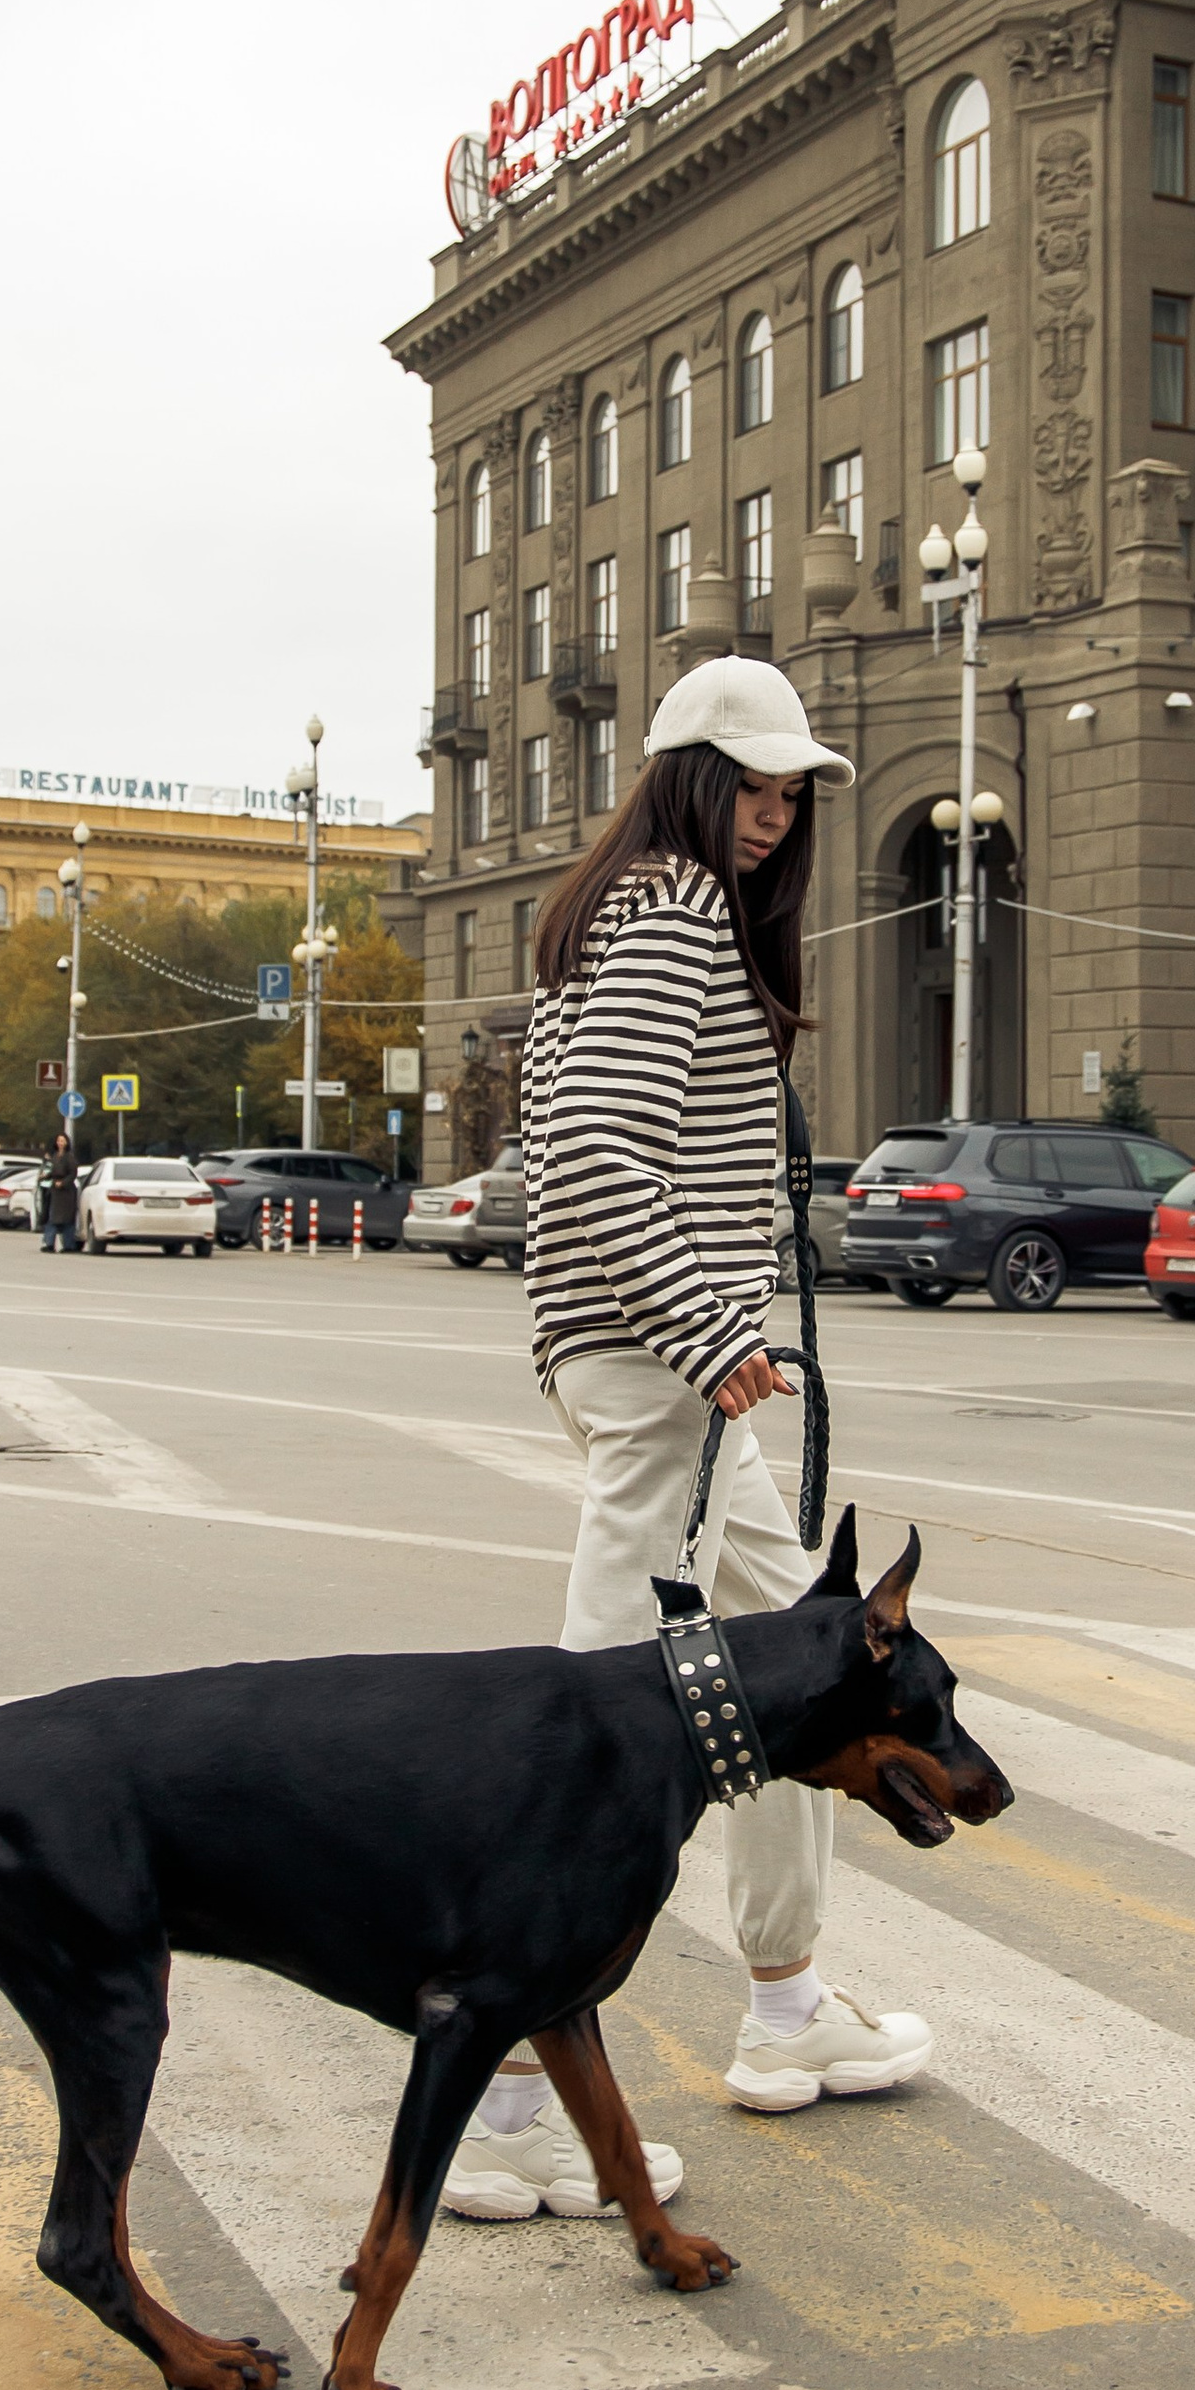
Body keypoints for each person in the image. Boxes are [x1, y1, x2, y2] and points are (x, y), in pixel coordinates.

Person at [444, 655, 930, 2224]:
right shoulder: (670, 912)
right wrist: (711, 1331)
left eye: (794, 794)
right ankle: (508, 2099)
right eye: (754, 786)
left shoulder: (641, 909)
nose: (776, 817)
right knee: (601, 1732)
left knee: (807, 1676)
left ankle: (786, 2004)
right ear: (685, 779)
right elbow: (590, 1151)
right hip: (669, 1369)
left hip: (665, 1366)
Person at [37, 1129, 82, 1254]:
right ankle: (49, 1244)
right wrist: (45, 1176)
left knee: (67, 1220)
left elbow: (73, 1174)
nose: (60, 1143)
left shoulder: (69, 1157)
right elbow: (53, 1172)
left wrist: (63, 1183)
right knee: (51, 1218)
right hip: (55, 1192)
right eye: (58, 1141)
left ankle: (68, 1245)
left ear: (66, 1143)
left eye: (62, 1141)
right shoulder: (55, 1156)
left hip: (66, 1193)